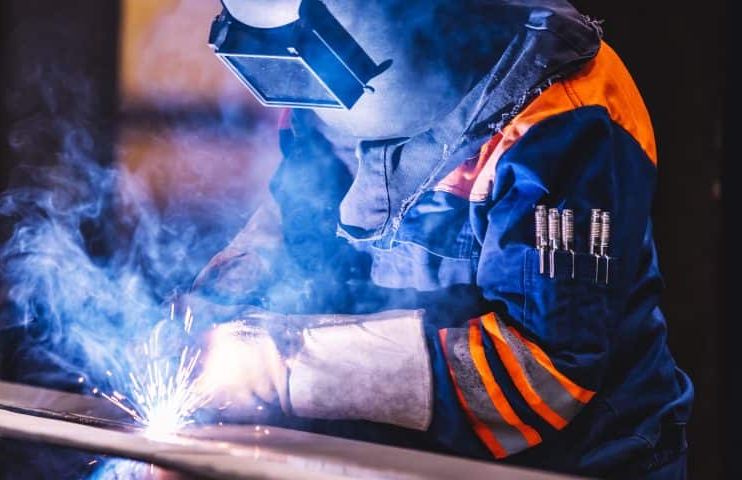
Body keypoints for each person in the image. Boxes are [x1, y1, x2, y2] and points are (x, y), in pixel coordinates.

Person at [187, 0, 693, 477]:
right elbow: (299, 213)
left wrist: (282, 363)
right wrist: (231, 285)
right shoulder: (325, 83)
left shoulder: (559, 116)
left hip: (573, 462)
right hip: (396, 455)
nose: (307, 104)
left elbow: (543, 374)